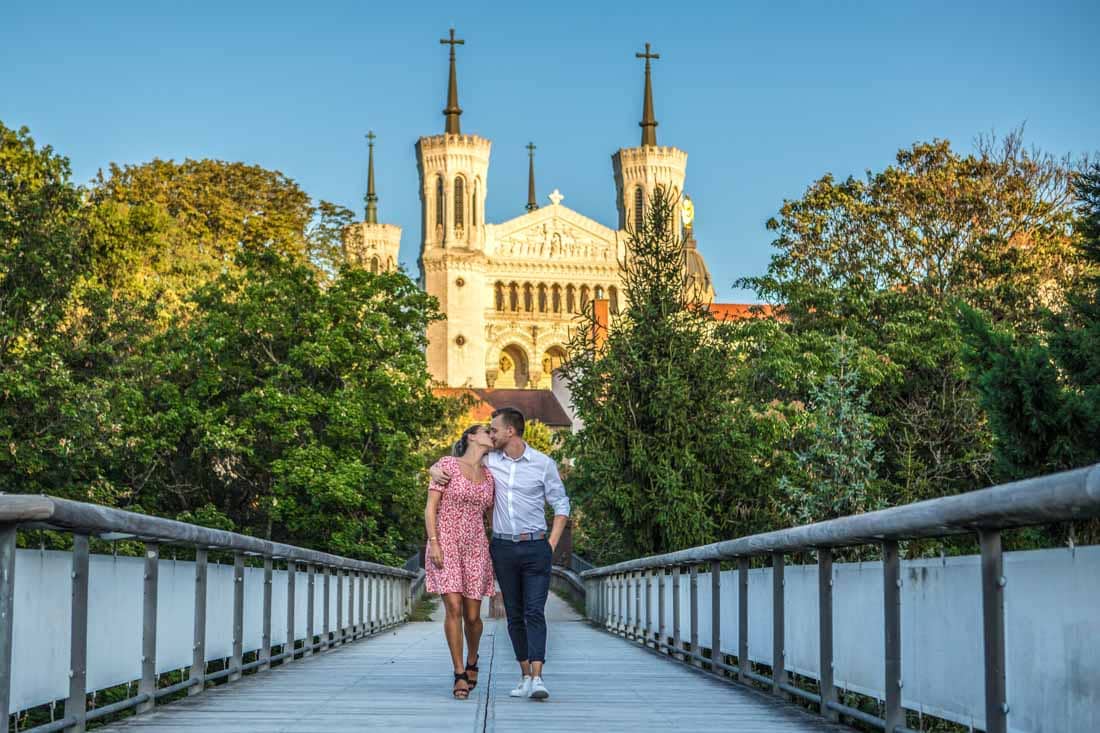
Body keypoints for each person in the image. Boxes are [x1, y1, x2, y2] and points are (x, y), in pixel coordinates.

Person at [430, 407, 570, 701]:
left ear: (510, 431)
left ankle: (535, 676)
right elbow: (450, 470)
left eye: (494, 429)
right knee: (511, 614)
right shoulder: (488, 462)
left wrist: (551, 545)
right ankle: (509, 675)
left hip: (527, 546)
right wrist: (432, 470)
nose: (491, 434)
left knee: (529, 612)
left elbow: (561, 504)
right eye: (487, 431)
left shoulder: (537, 464)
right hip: (498, 547)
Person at [424, 424, 496, 700]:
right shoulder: (447, 465)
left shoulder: (490, 476)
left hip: (476, 547)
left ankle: (473, 660)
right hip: (446, 543)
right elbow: (431, 507)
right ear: (471, 437)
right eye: (486, 431)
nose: (491, 434)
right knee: (453, 607)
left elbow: (491, 517)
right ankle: (459, 674)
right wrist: (434, 542)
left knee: (474, 616)